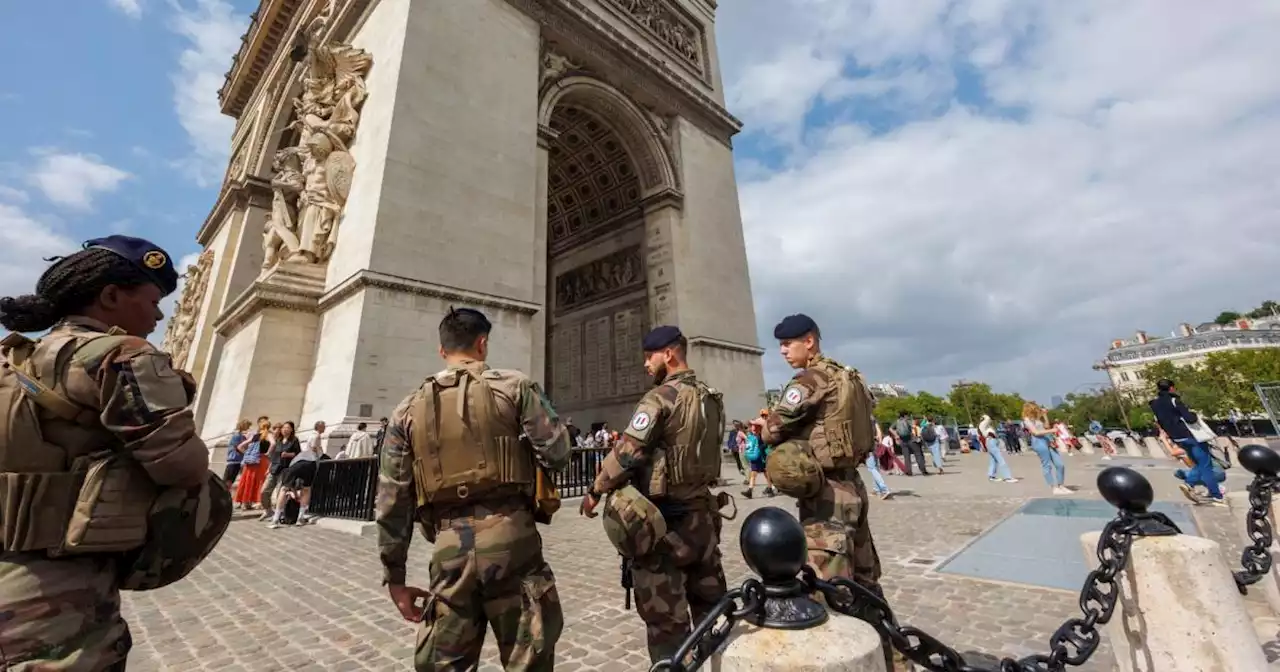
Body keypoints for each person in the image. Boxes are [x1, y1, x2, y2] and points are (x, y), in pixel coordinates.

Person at [0, 234, 232, 669]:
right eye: (151, 299)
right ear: (110, 296)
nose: (161, 314)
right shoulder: (120, 356)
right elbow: (183, 467)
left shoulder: (10, 359)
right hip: (56, 595)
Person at [374, 307, 571, 671]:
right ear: (483, 344)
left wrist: (395, 578)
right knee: (529, 656)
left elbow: (391, 500)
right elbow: (558, 452)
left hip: (449, 548)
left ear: (441, 351)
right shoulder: (515, 387)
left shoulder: (406, 410)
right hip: (513, 537)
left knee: (445, 663)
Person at [750, 313, 894, 672]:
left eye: (788, 344)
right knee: (866, 584)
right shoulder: (850, 377)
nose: (782, 351)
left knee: (828, 590)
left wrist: (764, 426)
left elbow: (773, 429)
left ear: (809, 341)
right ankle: (893, 660)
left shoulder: (810, 379)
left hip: (827, 493)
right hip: (853, 487)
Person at [580, 326, 728, 665]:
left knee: (667, 627)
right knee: (713, 614)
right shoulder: (710, 396)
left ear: (670, 354)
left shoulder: (660, 397)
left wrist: (594, 491)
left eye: (650, 356)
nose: (646, 364)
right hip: (703, 519)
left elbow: (627, 452)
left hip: (665, 527)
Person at [1150, 378, 1224, 505]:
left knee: (1199, 464)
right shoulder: (1174, 400)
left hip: (1177, 438)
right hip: (1190, 436)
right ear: (1171, 388)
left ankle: (1206, 490)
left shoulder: (1154, 404)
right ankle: (1205, 490)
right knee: (1205, 465)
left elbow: (1159, 421)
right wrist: (1194, 414)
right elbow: (1189, 419)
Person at [1022, 402, 1068, 495]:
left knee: (1060, 464)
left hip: (1048, 440)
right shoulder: (1027, 420)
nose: (1037, 409)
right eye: (1036, 408)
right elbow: (1035, 432)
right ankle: (1054, 487)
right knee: (1046, 465)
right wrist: (1052, 430)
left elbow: (1046, 426)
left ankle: (1061, 485)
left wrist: (1045, 416)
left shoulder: (1037, 418)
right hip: (1038, 441)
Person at [979, 415, 1017, 483]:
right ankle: (1007, 477)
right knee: (1000, 459)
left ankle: (991, 476)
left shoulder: (986, 426)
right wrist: (985, 416)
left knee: (993, 460)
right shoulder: (983, 425)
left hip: (991, 441)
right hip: (991, 441)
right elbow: (988, 418)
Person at [891, 411, 928, 475]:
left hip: (902, 441)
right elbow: (913, 426)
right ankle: (923, 470)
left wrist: (896, 435)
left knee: (906, 457)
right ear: (905, 415)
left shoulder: (896, 422)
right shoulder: (907, 420)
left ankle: (909, 471)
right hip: (911, 440)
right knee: (918, 454)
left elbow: (890, 429)